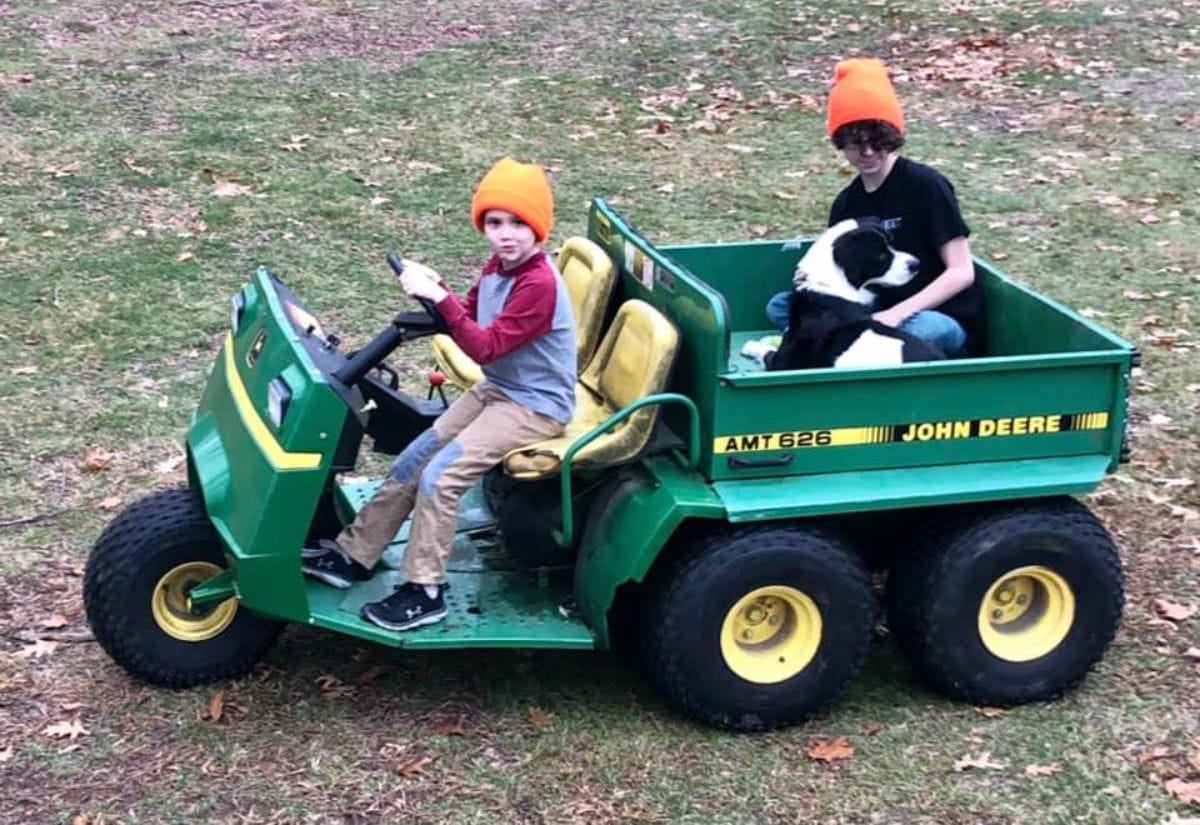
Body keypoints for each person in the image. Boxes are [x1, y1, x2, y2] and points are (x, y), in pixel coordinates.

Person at [302, 157, 576, 632]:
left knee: (441, 477)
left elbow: (483, 345)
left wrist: (441, 299)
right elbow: (469, 311)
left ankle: (425, 592)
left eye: (518, 223)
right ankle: (354, 555)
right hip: (499, 390)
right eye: (494, 222)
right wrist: (436, 289)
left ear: (539, 229)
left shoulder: (539, 284)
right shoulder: (500, 267)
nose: (505, 234)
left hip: (535, 406)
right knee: (413, 460)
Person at [767, 58, 986, 357]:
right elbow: (842, 275)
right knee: (783, 305)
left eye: (878, 142)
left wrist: (897, 313)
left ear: (892, 137)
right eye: (856, 144)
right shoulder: (847, 203)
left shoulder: (925, 185)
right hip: (872, 312)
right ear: (841, 143)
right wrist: (811, 279)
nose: (868, 153)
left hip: (938, 314)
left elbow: (961, 273)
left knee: (917, 331)